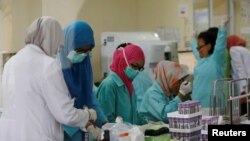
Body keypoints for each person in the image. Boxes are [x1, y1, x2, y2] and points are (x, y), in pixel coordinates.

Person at [0, 16, 96, 141]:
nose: (57, 49)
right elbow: (65, 114)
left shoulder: (11, 63)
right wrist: (87, 115)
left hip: (10, 135)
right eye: (58, 44)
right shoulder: (48, 65)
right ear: (51, 39)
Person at [58, 21, 107, 141]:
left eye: (88, 50)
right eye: (79, 50)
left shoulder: (84, 62)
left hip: (83, 129)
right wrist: (85, 123)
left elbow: (90, 95)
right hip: (63, 130)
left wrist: (105, 123)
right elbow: (59, 108)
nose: (83, 54)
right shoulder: (56, 68)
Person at [97, 43, 146, 125]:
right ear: (123, 61)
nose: (137, 71)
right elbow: (105, 120)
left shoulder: (128, 86)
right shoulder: (109, 85)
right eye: (134, 66)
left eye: (140, 68)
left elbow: (133, 115)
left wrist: (149, 125)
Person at [190, 22, 227, 113]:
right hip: (198, 105)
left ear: (209, 46)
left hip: (214, 107)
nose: (198, 50)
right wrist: (192, 39)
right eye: (198, 47)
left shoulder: (216, 60)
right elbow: (195, 50)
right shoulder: (202, 59)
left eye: (200, 47)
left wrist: (222, 28)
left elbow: (220, 46)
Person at [227, 34, 250, 115]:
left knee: (244, 111)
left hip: (245, 83)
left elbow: (240, 68)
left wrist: (242, 90)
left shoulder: (233, 49)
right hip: (247, 81)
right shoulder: (243, 50)